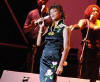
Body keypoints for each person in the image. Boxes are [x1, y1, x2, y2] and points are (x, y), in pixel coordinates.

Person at [37, 4, 70, 82]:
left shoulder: (64, 28)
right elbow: (38, 44)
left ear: (60, 13)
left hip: (54, 60)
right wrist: (41, 28)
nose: (52, 13)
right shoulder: (49, 28)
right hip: (44, 59)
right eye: (50, 12)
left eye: (54, 11)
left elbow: (66, 48)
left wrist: (61, 65)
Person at [72, 4, 100, 82]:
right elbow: (79, 26)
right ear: (89, 12)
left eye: (97, 11)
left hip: (97, 51)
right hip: (86, 50)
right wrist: (73, 27)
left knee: (94, 73)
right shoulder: (84, 21)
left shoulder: (99, 22)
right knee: (84, 71)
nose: (95, 12)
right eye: (93, 11)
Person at [23, 0, 49, 72]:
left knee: (42, 68)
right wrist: (31, 26)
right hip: (33, 45)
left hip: (45, 46)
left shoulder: (50, 14)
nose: (41, 1)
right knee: (30, 66)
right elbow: (24, 30)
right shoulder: (32, 13)